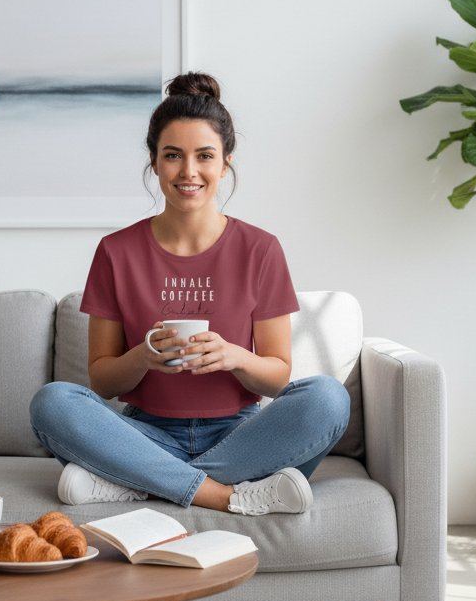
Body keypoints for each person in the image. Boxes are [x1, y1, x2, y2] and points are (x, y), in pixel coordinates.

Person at [29, 72, 350, 516]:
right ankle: (223, 495)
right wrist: (142, 356)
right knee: (53, 402)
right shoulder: (116, 251)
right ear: (155, 162)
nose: (189, 172)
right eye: (173, 156)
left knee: (329, 398)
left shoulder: (260, 249)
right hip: (145, 433)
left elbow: (277, 377)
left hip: (239, 435)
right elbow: (102, 382)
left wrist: (234, 356)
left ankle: (140, 481)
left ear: (225, 162)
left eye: (204, 156)